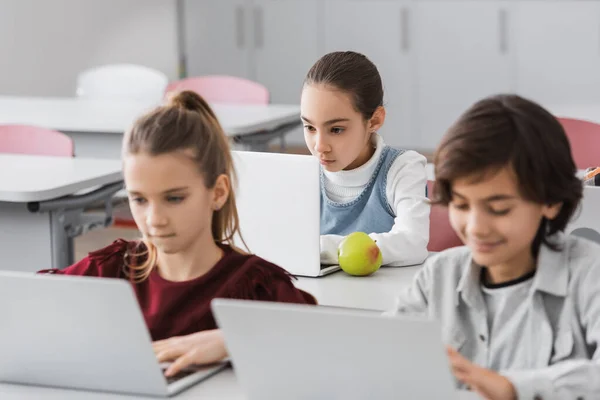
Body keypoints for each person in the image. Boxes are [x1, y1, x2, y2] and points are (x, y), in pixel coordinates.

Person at [39, 90, 316, 377]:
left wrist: (231, 340)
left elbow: (321, 343)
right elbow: (30, 303)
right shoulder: (111, 268)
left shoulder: (257, 287)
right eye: (139, 199)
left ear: (218, 193)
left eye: (174, 199)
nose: (154, 220)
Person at [387, 94, 600, 400]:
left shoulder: (590, 275)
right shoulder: (438, 277)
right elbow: (381, 357)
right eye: (461, 205)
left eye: (498, 209)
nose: (475, 227)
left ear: (551, 200)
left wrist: (514, 389)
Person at [300, 51, 430, 267]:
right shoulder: (301, 174)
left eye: (337, 129)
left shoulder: (403, 168)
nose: (319, 146)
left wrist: (317, 247)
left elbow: (412, 243)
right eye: (310, 127)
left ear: (374, 120)